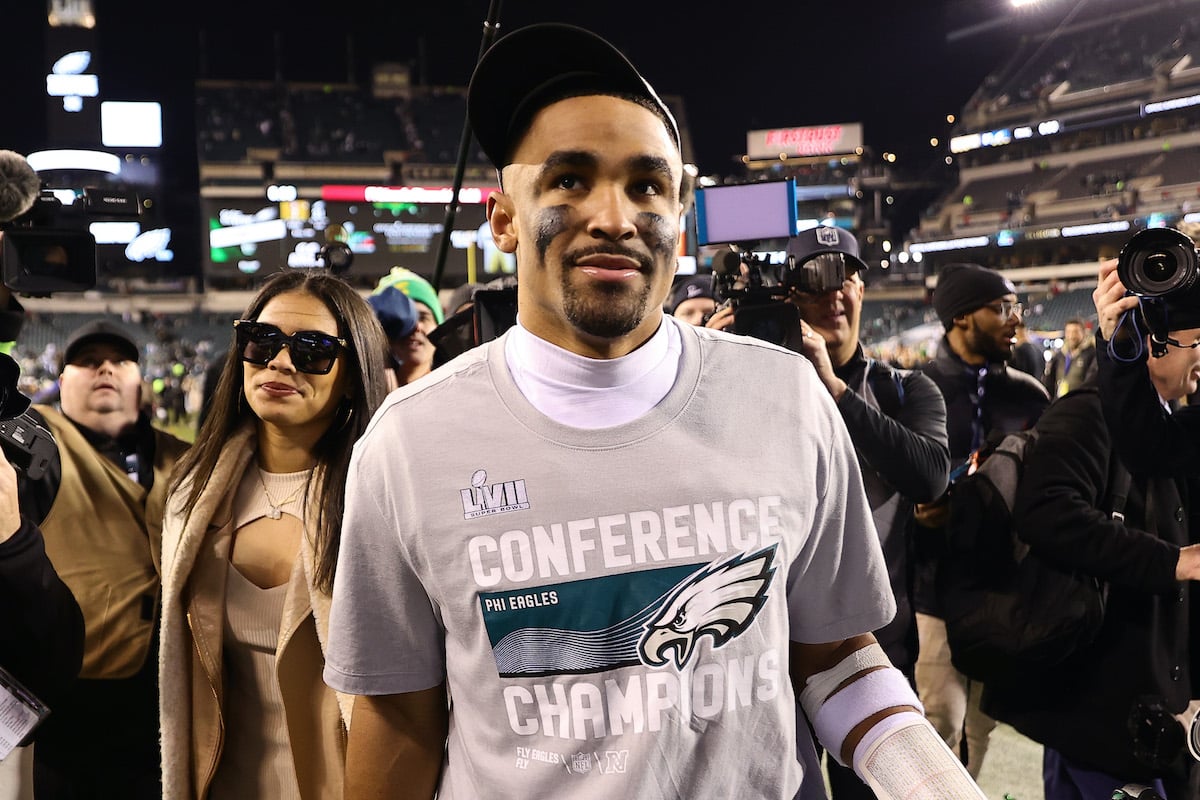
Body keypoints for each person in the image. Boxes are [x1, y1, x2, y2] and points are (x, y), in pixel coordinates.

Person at [325, 22, 986, 800]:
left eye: (647, 186)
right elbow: (399, 717)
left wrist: (934, 785)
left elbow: (836, 656)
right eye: (569, 179)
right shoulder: (409, 443)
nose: (616, 216)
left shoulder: (789, 398)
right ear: (503, 217)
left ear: (680, 219)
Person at [157, 269, 390, 799]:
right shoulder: (192, 496)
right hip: (222, 784)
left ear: (352, 374)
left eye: (311, 350)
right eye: (262, 343)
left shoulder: (382, 498)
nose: (280, 363)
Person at [983, 305, 1200, 799]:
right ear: (1152, 346)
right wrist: (1173, 561)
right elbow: (1048, 514)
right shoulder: (1087, 410)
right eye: (1197, 340)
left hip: (1149, 695)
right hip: (1096, 701)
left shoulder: (1172, 424)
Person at [782, 226, 951, 799]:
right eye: (816, 281)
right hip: (777, 650)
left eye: (847, 278)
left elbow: (930, 475)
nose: (835, 296)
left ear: (862, 290)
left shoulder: (907, 389)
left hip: (876, 642)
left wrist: (833, 389)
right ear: (789, 297)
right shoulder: (757, 388)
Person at [15, 318, 190, 798]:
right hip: (81, 701)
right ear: (61, 379)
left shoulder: (187, 457)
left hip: (180, 696)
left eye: (119, 361)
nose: (105, 369)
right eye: (88, 362)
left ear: (139, 378)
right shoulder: (37, 448)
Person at [911, 262, 1050, 779]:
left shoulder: (1029, 396)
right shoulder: (912, 390)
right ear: (963, 317)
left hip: (1005, 586)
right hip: (933, 584)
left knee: (982, 727)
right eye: (1002, 308)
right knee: (937, 720)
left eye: (1016, 306)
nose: (1016, 319)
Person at [367, 266, 444, 386]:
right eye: (401, 319)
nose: (416, 327)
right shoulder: (353, 394)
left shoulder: (453, 393)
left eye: (423, 317)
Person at [1043, 316, 1097, 397]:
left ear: (1083, 333)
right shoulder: (1060, 356)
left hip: (1081, 404)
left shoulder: (1091, 354)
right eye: (1068, 332)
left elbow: (1091, 383)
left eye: (1075, 332)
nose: (1071, 336)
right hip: (1060, 403)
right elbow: (1050, 381)